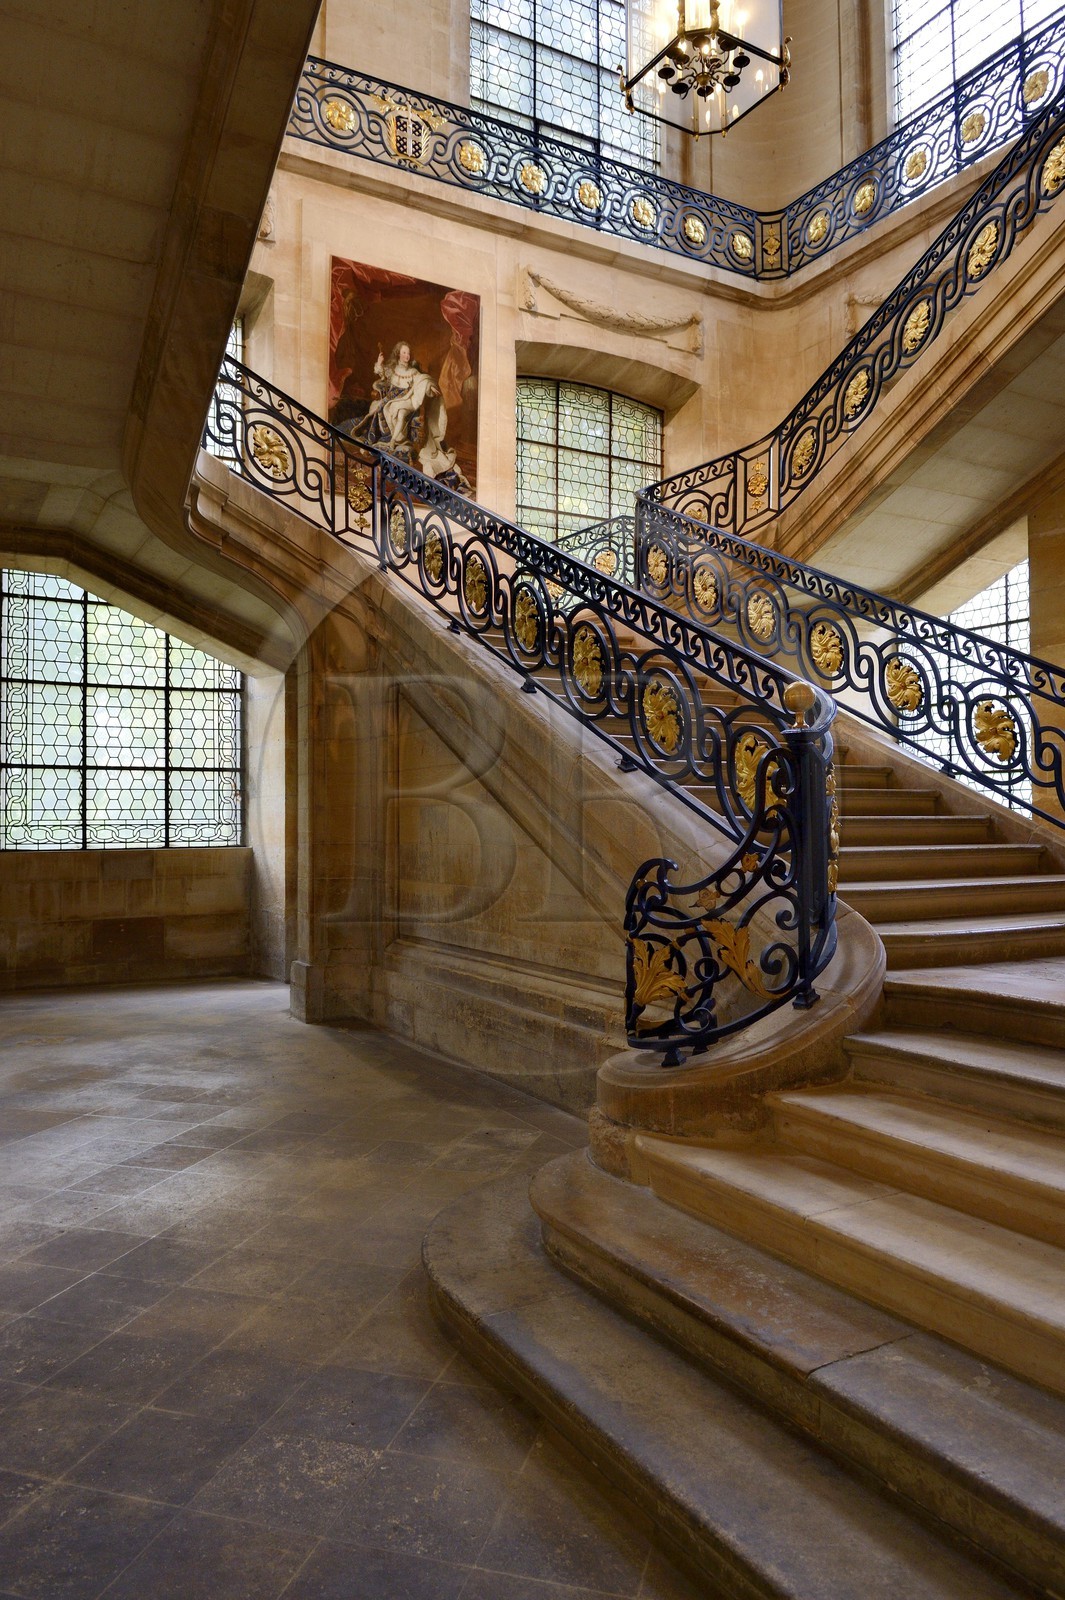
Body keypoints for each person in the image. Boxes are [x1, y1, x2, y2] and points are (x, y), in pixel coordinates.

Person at [349, 340, 471, 493]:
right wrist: (379, 363)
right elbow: (381, 374)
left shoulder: (413, 372)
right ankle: (388, 438)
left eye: (408, 353)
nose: (406, 356)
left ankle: (393, 442)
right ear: (398, 354)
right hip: (392, 399)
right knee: (383, 409)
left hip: (408, 400)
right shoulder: (393, 370)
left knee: (401, 413)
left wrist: (431, 387)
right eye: (404, 353)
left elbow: (424, 380)